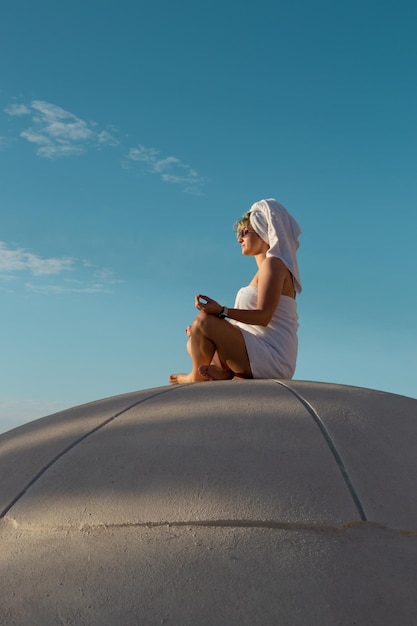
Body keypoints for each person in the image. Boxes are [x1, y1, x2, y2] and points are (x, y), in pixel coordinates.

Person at [169, 198, 302, 384]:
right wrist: (210, 327)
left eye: (245, 232)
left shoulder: (274, 265)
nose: (239, 238)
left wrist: (221, 312)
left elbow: (263, 317)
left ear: (264, 232)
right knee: (194, 342)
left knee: (204, 322)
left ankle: (195, 377)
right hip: (256, 350)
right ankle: (228, 373)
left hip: (272, 355)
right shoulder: (264, 270)